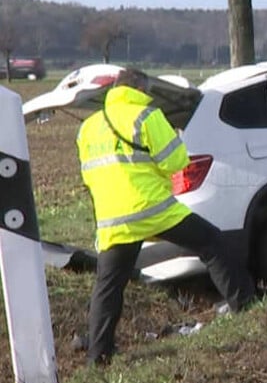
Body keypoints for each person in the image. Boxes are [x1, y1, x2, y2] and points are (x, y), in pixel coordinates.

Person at [77, 68, 257, 366]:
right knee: (212, 244)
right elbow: (176, 161)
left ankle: (99, 356)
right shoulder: (147, 116)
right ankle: (245, 305)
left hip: (112, 220)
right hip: (153, 210)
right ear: (140, 89)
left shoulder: (89, 126)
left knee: (108, 286)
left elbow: (88, 176)